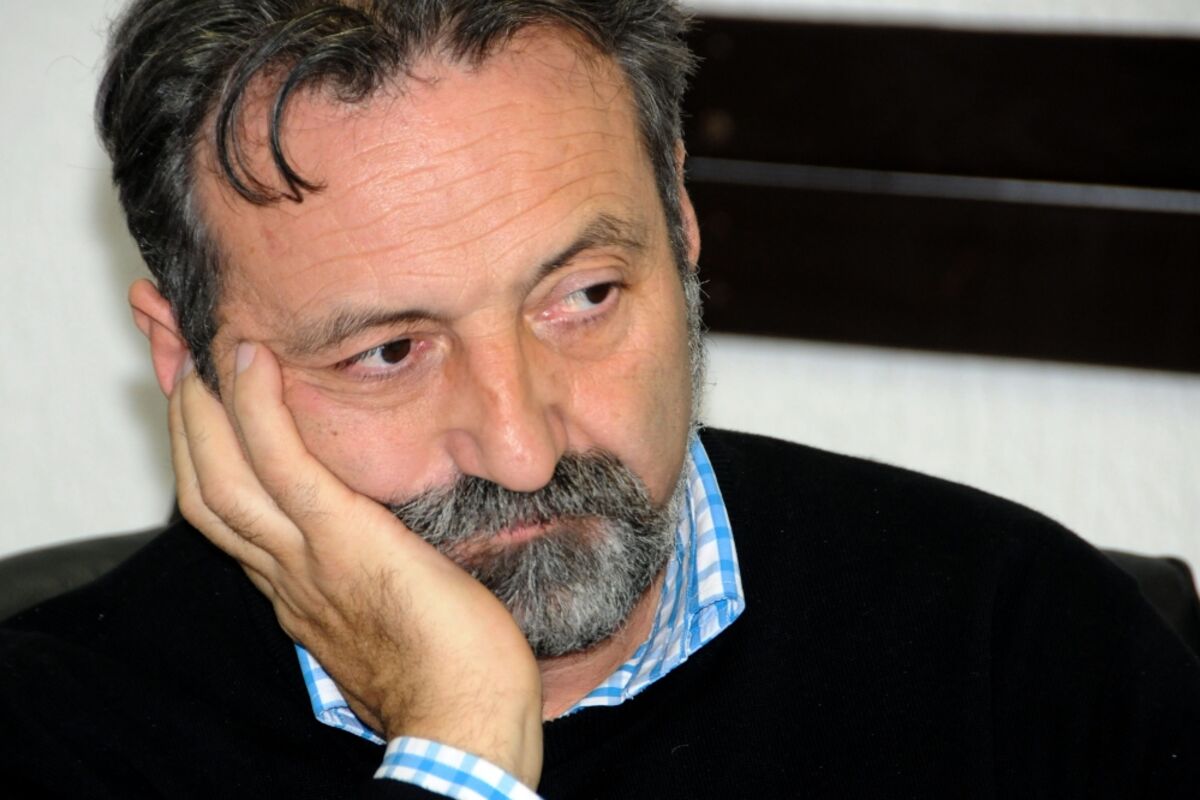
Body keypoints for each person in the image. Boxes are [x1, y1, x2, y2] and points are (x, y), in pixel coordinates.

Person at [2, 1, 1199, 797]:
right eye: (389, 351)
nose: (521, 446)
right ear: (190, 357)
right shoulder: (54, 735)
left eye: (582, 296)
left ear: (679, 221)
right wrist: (460, 745)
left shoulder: (1018, 642)